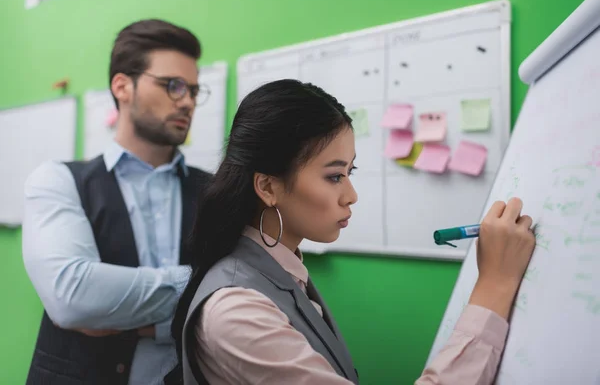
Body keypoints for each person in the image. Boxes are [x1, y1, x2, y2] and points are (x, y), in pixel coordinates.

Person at [167, 79, 537, 384]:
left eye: (350, 172)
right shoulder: (236, 311)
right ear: (267, 187)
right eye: (334, 176)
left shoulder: (279, 268)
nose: (351, 195)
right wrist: (494, 286)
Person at [22, 19, 212, 384]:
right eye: (173, 85)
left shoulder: (217, 192)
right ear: (122, 86)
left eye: (193, 89)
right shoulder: (58, 181)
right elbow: (73, 296)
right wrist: (198, 288)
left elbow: (246, 291)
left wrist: (122, 315)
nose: (187, 101)